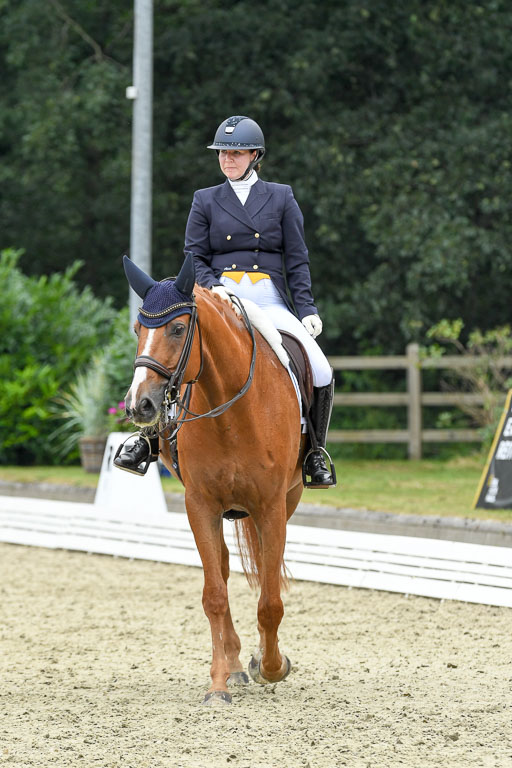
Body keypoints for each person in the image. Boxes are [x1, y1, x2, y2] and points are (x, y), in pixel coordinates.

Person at [115, 115, 335, 487]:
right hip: (219, 295)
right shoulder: (205, 200)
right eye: (222, 153)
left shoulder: (281, 197)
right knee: (174, 349)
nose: (227, 160)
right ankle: (149, 439)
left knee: (321, 367)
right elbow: (195, 255)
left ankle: (314, 452)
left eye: (235, 153)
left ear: (254, 155)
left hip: (268, 297)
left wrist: (308, 307)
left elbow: (296, 258)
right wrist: (214, 287)